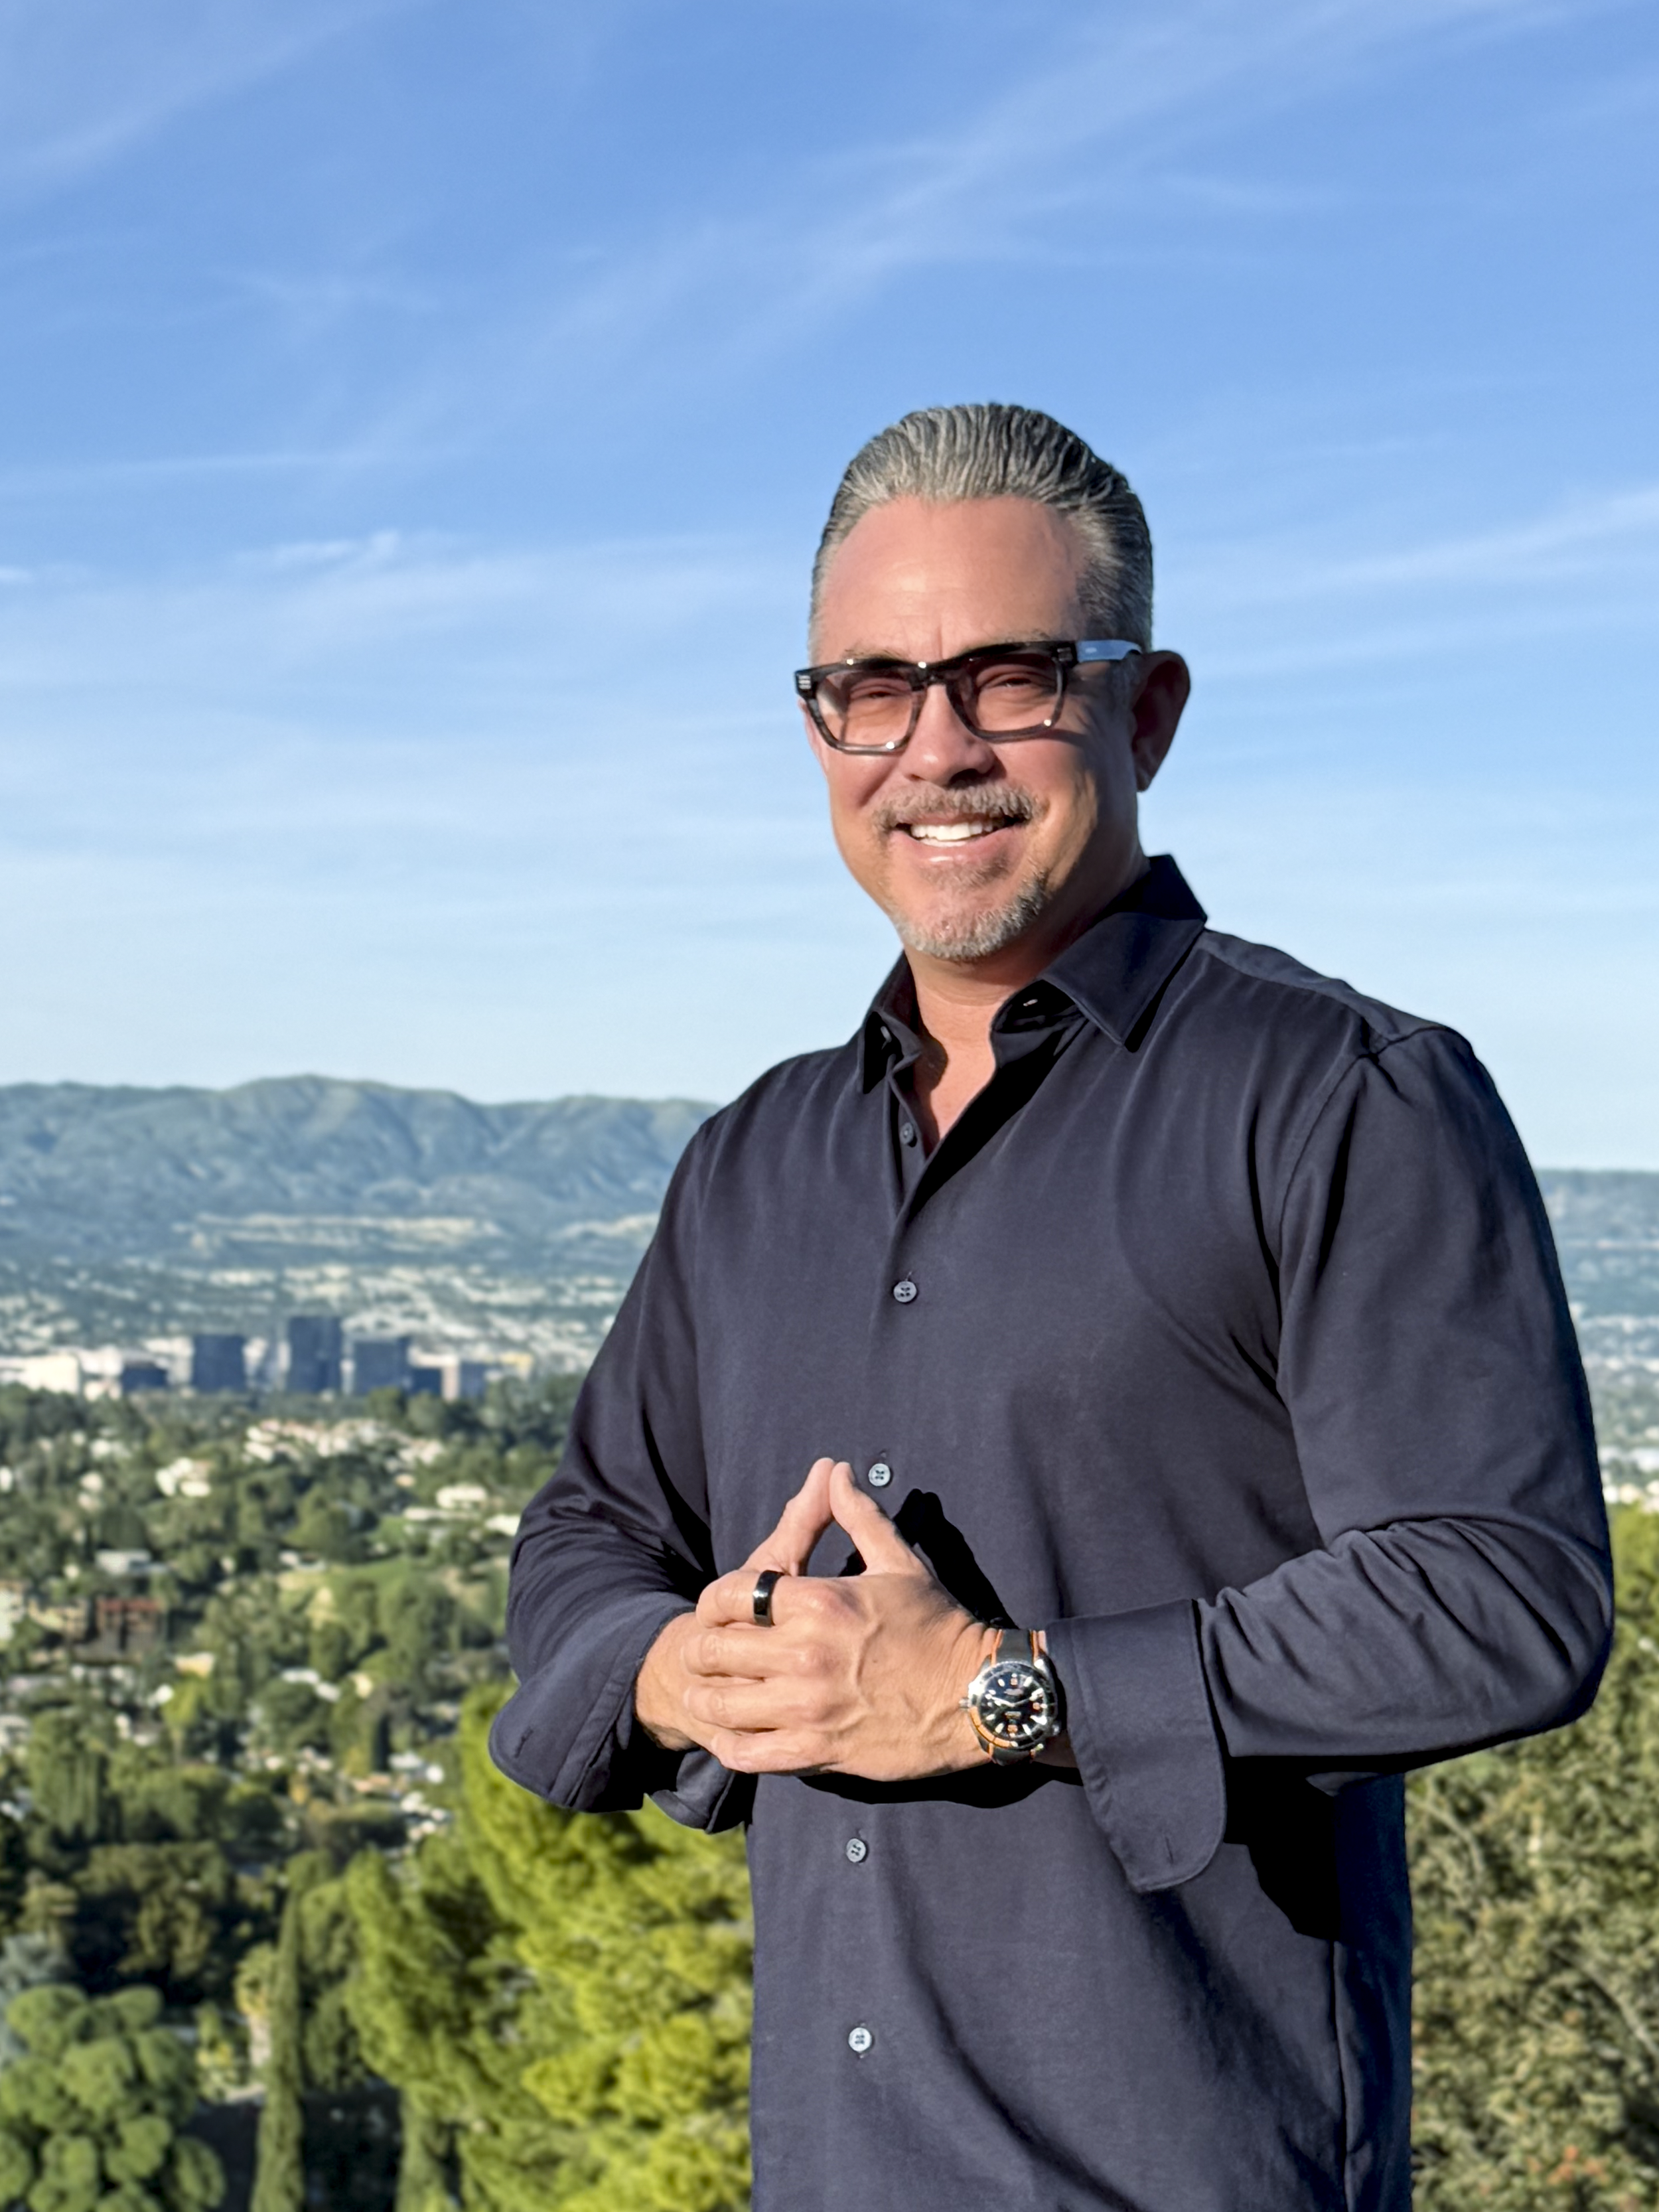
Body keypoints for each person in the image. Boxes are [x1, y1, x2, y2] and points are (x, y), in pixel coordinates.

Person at [493, 404, 1611, 2211]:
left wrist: (996, 1692)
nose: (934, 749)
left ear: (1145, 711)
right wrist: (658, 1667)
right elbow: (589, 1530)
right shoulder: (752, 1161)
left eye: (1008, 678)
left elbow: (1501, 1591)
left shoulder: (1341, 1097)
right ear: (820, 727)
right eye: (873, 687)